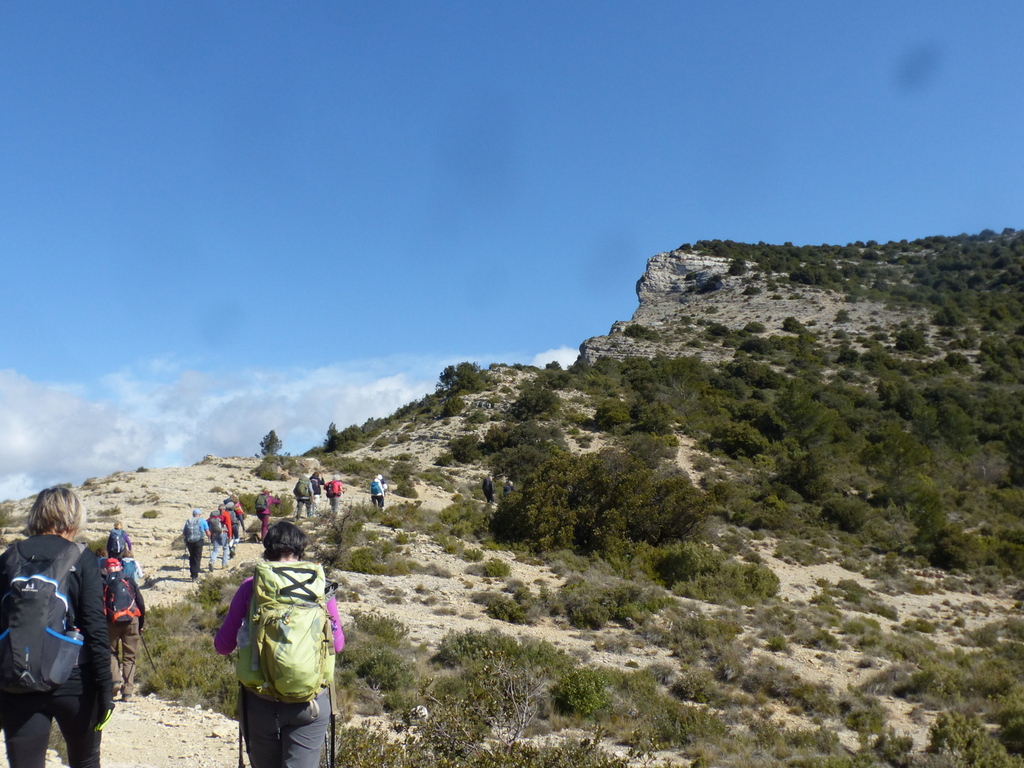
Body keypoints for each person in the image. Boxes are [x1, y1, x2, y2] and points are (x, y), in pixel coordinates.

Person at [214, 522, 345, 768]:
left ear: (268, 549)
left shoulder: (250, 587)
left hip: (260, 703)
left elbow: (222, 646)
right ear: (300, 550)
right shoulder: (319, 586)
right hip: (311, 703)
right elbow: (337, 645)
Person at [0, 487, 114, 768]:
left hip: (17, 680)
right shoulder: (82, 557)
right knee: (85, 762)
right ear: (73, 518)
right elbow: (95, 628)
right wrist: (105, 689)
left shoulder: (8, 558)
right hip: (75, 681)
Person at [101, 558, 144, 703]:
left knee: (111, 652)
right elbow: (140, 602)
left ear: (106, 569)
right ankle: (127, 692)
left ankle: (115, 681)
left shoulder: (103, 582)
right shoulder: (128, 580)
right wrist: (141, 623)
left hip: (111, 622)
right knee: (129, 657)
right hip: (132, 620)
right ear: (120, 567)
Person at [182, 508, 208, 581]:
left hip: (189, 541)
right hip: (199, 541)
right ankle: (195, 575)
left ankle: (192, 573)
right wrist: (210, 537)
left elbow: (184, 533)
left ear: (193, 514)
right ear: (199, 514)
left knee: (192, 556)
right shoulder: (202, 521)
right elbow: (207, 532)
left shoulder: (188, 521)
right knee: (197, 557)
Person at [208, 506, 231, 571]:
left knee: (215, 550)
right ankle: (224, 564)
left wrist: (211, 536)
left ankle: (211, 561)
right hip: (223, 533)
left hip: (214, 534)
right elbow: (228, 525)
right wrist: (230, 535)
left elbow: (208, 523)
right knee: (225, 548)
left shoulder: (213, 516)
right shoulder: (225, 515)